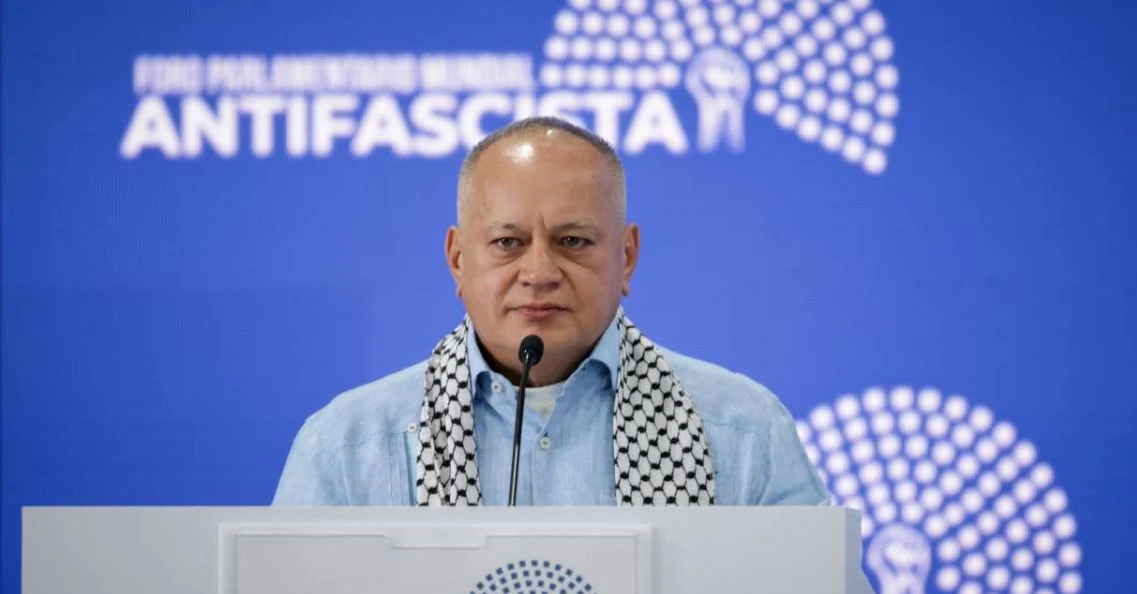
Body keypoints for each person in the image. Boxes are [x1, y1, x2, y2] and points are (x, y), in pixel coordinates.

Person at [273, 116, 829, 507]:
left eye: (573, 241)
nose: (539, 271)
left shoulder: (746, 435)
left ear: (627, 256)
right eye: (507, 243)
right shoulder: (345, 449)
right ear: (459, 260)